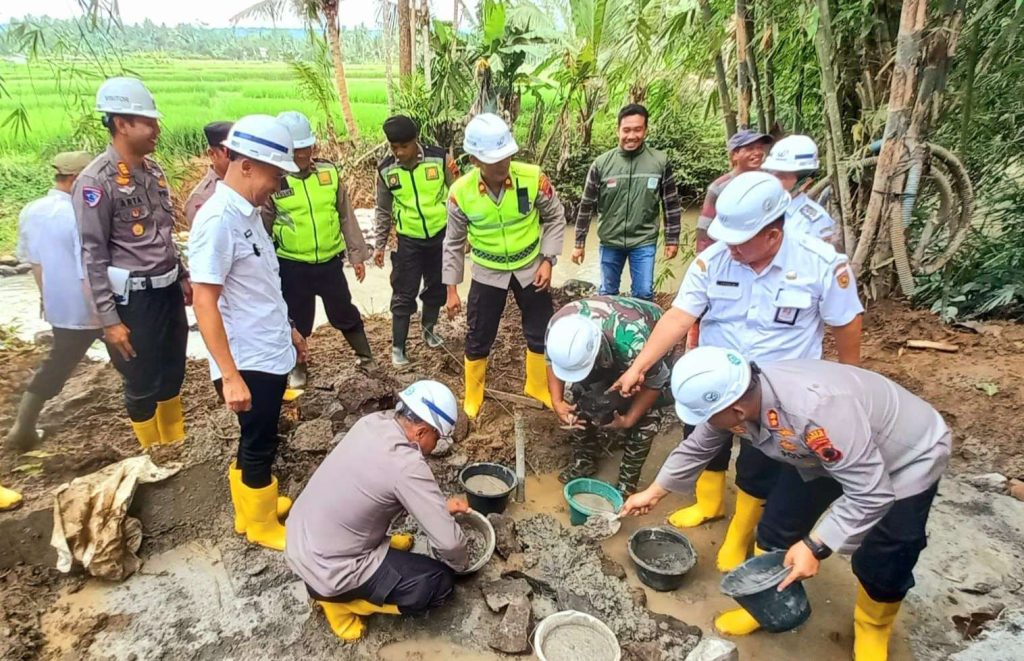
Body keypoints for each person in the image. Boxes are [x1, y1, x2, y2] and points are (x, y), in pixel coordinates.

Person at [612, 171, 863, 577]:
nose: (730, 248)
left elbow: (846, 322)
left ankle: (740, 534)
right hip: (714, 381)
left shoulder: (820, 264)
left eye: (740, 241)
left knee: (760, 463)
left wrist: (853, 379)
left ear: (773, 233)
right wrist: (638, 367)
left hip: (777, 395)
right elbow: (680, 315)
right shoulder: (713, 262)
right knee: (701, 441)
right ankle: (709, 503)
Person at [623, 346, 949, 659]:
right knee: (778, 526)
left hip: (904, 456)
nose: (704, 422)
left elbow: (871, 492)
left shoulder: (814, 411)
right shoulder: (741, 396)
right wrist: (654, 492)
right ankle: (764, 602)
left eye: (705, 415)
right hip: (818, 455)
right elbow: (698, 446)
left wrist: (815, 546)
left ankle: (873, 629)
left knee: (887, 552)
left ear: (736, 409)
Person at [189, 115, 307, 551]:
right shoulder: (218, 220)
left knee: (257, 435)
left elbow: (259, 287)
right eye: (275, 175)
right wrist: (230, 374)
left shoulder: (248, 214)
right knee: (260, 440)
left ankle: (249, 511)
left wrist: (290, 330)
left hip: (267, 348)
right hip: (247, 359)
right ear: (246, 166)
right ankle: (261, 525)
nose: (277, 185)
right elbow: (205, 301)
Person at [285, 380, 468, 641]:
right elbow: (450, 544)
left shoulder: (371, 423)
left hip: (300, 541)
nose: (435, 445)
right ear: (421, 432)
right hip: (330, 571)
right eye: (437, 438)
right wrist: (462, 565)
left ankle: (347, 581)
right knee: (438, 583)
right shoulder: (406, 465)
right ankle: (343, 602)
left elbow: (371, 489)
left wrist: (440, 507)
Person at [75, 77, 190, 450]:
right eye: (148, 122)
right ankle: (151, 452)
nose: (157, 129)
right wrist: (109, 320)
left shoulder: (153, 172)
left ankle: (176, 445)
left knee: (173, 371)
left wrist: (183, 275)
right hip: (133, 300)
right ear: (122, 123)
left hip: (167, 290)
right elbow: (92, 255)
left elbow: (164, 232)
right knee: (141, 381)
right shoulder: (96, 182)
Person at [443, 113, 565, 418]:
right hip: (487, 272)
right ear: (474, 160)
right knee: (479, 333)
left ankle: (536, 385)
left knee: (540, 329)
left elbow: (554, 218)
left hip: (530, 267)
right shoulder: (460, 193)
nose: (503, 164)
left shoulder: (533, 178)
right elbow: (453, 243)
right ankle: (474, 393)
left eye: (507, 156)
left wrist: (548, 260)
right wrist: (451, 290)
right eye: (495, 159)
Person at [265, 110, 373, 388]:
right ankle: (298, 366)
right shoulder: (273, 181)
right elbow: (263, 227)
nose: (304, 155)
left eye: (307, 148)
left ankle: (366, 356)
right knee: (297, 318)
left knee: (344, 311)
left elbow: (346, 215)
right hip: (292, 265)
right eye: (298, 150)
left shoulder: (328, 173)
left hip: (329, 262)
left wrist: (357, 254)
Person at [6, 152, 101, 453]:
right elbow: (88, 269)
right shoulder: (80, 214)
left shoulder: (32, 210)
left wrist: (46, 299)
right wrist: (104, 315)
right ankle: (151, 427)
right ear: (75, 179)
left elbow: (35, 262)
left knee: (57, 363)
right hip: (94, 304)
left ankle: (22, 428)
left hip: (60, 305)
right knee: (133, 360)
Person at [545, 296, 671, 495]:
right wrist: (557, 401)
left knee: (647, 417)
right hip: (604, 343)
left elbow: (656, 382)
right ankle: (584, 460)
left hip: (652, 333)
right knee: (580, 398)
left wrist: (629, 420)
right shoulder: (558, 329)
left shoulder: (635, 344)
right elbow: (551, 362)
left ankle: (627, 482)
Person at [373, 115, 460, 366]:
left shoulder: (440, 158)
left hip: (440, 235)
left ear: (415, 142)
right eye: (394, 147)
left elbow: (459, 195)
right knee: (403, 293)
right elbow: (382, 209)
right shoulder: (386, 170)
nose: (399, 152)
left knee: (436, 287)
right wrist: (380, 244)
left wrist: (463, 235)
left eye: (404, 146)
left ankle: (429, 330)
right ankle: (399, 347)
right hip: (408, 239)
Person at [571, 104, 682, 301]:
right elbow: (586, 205)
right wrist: (579, 242)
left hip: (643, 240)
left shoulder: (660, 162)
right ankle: (608, 330)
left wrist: (672, 239)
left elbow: (670, 204)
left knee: (644, 293)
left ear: (645, 130)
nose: (632, 136)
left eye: (638, 129)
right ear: (618, 130)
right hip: (610, 240)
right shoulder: (602, 164)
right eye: (626, 130)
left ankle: (643, 331)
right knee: (607, 293)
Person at [687, 129, 773, 351]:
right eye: (750, 148)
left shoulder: (769, 182)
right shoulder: (720, 187)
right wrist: (703, 261)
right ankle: (697, 349)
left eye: (759, 148)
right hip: (727, 257)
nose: (757, 153)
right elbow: (705, 227)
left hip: (762, 258)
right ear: (734, 155)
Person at [762, 134, 839, 247]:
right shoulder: (760, 206)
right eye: (771, 172)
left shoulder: (816, 221)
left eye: (782, 175)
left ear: (804, 183)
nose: (773, 179)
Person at [183, 121, 233, 229]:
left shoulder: (249, 185)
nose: (237, 158)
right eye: (230, 153)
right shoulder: (201, 197)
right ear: (212, 154)